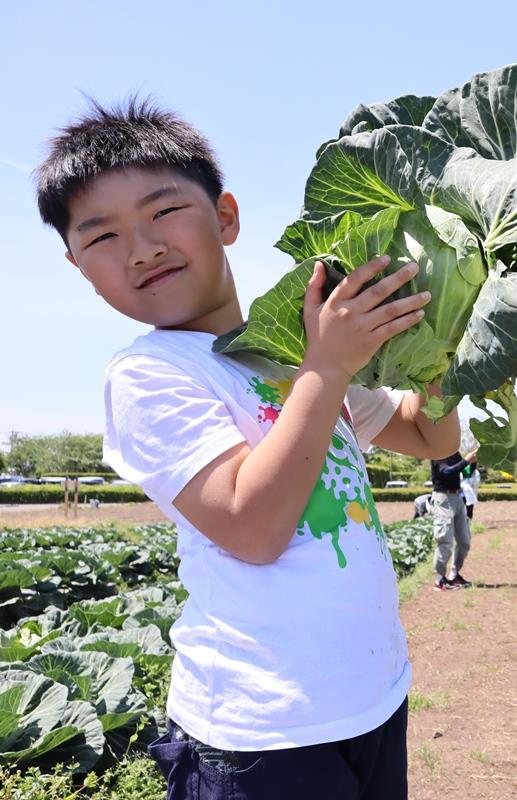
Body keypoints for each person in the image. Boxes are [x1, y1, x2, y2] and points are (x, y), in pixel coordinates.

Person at [44, 100, 462, 798]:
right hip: (259, 732)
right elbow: (252, 528)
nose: (142, 247)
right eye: (102, 237)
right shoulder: (150, 374)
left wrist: (446, 337)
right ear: (78, 266)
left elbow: (429, 435)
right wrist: (327, 368)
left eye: (163, 211)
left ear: (227, 217)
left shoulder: (293, 350)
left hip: (371, 697)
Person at [430, 451, 478, 589]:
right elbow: (447, 471)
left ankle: (454, 575)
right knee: (445, 540)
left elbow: (464, 470)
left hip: (457, 497)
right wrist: (467, 460)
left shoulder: (453, 452)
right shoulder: (437, 452)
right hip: (443, 498)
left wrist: (473, 462)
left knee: (465, 541)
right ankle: (439, 580)